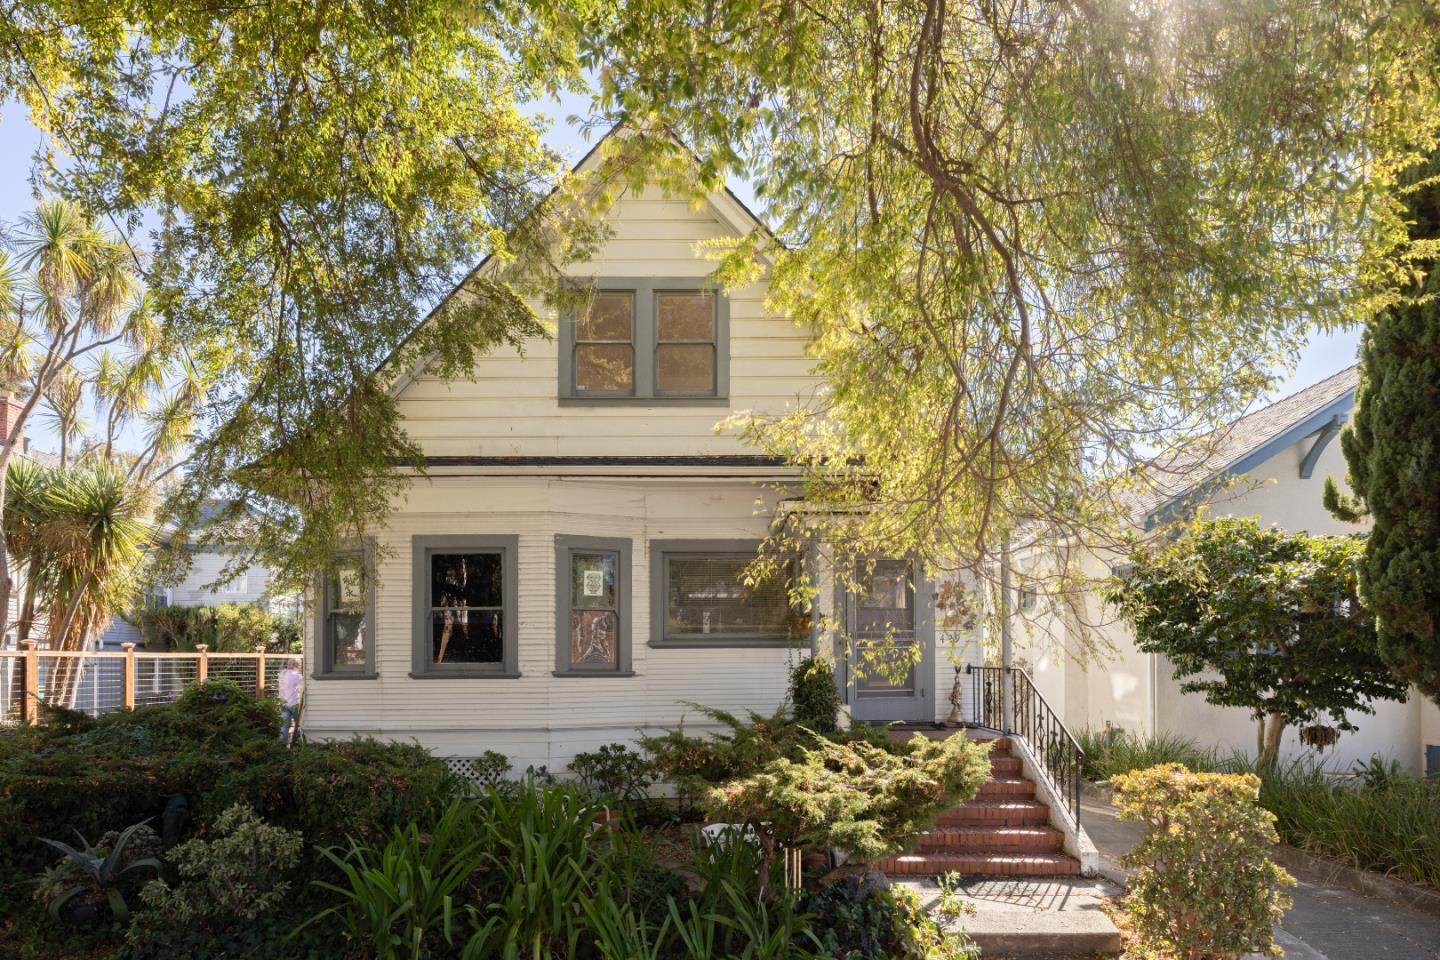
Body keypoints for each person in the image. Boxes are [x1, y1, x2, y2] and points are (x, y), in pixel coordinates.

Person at [278, 657, 303, 744]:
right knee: (300, 724)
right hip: (294, 703)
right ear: (295, 665)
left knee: (284, 726)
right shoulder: (296, 675)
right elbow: (304, 683)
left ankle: (281, 745)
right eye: (299, 664)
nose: (300, 666)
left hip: (284, 703)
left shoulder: (283, 673)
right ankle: (297, 744)